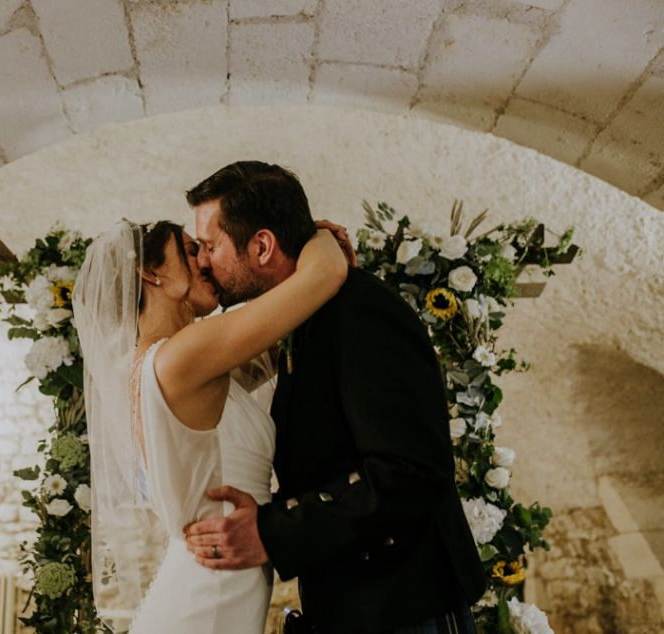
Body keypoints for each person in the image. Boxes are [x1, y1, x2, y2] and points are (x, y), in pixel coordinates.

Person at [183, 161, 486, 634]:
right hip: (359, 605)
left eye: (210, 245)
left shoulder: (360, 312)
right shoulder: (306, 315)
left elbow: (411, 471)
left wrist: (272, 531)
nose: (202, 260)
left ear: (261, 246)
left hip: (404, 609)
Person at [74, 219, 348, 633]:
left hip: (213, 587)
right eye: (189, 250)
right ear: (151, 272)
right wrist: (313, 234)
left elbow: (286, 327)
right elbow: (325, 274)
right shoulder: (181, 357)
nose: (204, 261)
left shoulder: (182, 363)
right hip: (208, 601)